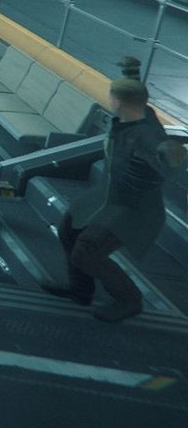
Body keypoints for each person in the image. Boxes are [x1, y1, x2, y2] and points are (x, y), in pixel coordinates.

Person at [43, 77, 188, 322]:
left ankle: (129, 300)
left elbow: (166, 155)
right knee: (69, 228)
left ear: (119, 102)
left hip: (133, 207)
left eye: (113, 97)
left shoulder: (144, 135)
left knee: (87, 252)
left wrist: (170, 153)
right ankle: (81, 291)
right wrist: (132, 72)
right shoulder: (139, 115)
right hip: (110, 195)